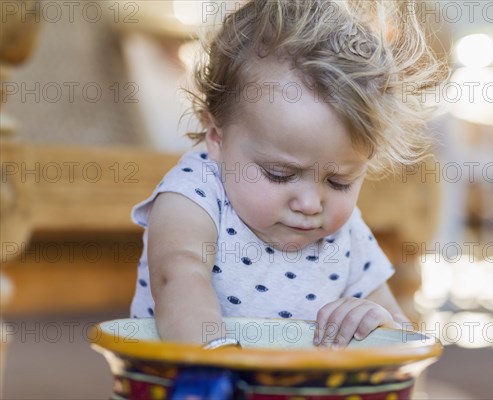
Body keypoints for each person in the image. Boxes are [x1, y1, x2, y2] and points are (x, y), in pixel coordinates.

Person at [130, 0, 444, 349]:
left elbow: (397, 335)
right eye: (280, 174)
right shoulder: (194, 195)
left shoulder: (346, 234)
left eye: (338, 181)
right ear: (217, 136)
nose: (310, 203)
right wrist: (218, 364)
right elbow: (177, 276)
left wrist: (377, 321)